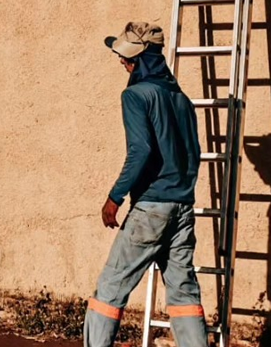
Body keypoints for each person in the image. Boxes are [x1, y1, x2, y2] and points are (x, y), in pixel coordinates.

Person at [85, 21, 207, 347]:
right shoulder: (182, 100)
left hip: (152, 207)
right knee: (183, 294)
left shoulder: (136, 95)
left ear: (142, 60)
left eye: (127, 58)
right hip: (182, 207)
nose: (123, 64)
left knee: (111, 288)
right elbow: (193, 154)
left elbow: (140, 151)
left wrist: (115, 197)